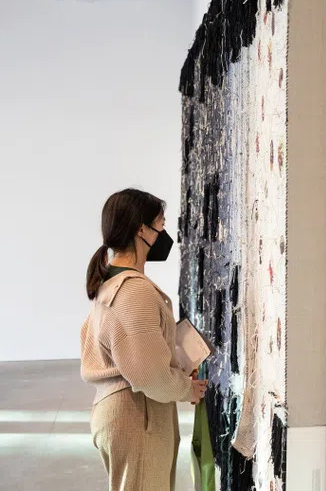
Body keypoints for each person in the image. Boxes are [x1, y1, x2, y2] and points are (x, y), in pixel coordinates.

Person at [80, 189, 208, 491]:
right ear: (142, 230)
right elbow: (149, 375)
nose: (164, 233)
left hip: (127, 413)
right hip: (137, 417)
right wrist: (186, 388)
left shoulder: (111, 281)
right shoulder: (132, 292)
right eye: (161, 224)